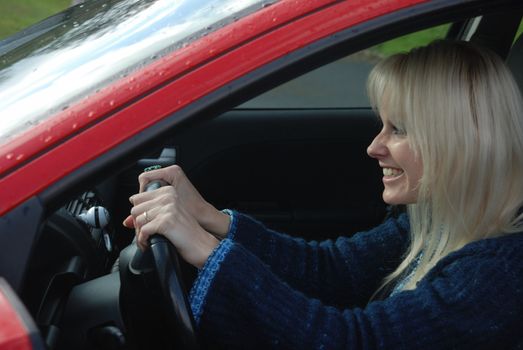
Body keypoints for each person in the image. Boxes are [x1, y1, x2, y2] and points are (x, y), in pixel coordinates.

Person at [123, 40, 523, 349]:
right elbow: (332, 270)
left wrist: (205, 251)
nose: (374, 147)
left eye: (398, 129)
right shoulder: (440, 218)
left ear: (459, 142)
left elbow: (352, 342)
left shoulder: (500, 274)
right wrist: (211, 218)